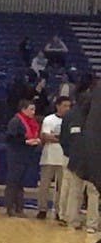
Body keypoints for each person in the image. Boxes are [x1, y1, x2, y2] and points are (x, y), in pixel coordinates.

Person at [58, 90, 99, 232]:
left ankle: (73, 220)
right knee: (92, 193)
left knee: (74, 191)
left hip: (75, 159)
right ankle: (91, 224)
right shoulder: (95, 117)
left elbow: (64, 138)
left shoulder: (70, 115)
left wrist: (69, 154)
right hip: (91, 160)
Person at [4, 99, 41, 217]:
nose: (33, 112)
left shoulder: (32, 122)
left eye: (34, 109)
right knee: (13, 182)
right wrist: (25, 141)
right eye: (31, 109)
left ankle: (19, 207)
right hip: (16, 155)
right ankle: (10, 207)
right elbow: (10, 138)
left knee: (20, 183)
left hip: (26, 156)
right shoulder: (16, 121)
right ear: (23, 109)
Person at [36, 96, 70, 219]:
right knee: (44, 185)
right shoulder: (49, 119)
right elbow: (45, 136)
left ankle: (59, 211)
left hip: (64, 158)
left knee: (62, 188)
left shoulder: (70, 120)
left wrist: (56, 138)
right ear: (58, 106)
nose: (67, 108)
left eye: (69, 106)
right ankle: (42, 209)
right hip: (49, 156)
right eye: (65, 105)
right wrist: (61, 139)